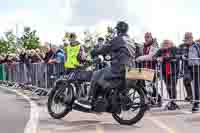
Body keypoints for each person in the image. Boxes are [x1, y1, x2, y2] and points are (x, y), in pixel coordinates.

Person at [74, 21, 136, 109]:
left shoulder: (118, 39)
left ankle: (90, 100)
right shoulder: (130, 40)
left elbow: (105, 48)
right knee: (104, 76)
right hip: (130, 67)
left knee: (96, 74)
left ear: (118, 30)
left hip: (119, 67)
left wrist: (94, 52)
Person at [153, 39, 179, 110]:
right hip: (165, 72)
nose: (166, 44)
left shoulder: (174, 49)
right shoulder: (160, 50)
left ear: (171, 44)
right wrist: (158, 58)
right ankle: (172, 101)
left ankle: (173, 103)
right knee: (168, 87)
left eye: (167, 43)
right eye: (164, 43)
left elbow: (177, 56)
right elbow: (154, 57)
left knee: (172, 87)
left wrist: (164, 58)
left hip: (174, 71)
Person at [136, 33, 161, 106]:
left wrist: (140, 58)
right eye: (145, 37)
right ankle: (151, 100)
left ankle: (157, 99)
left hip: (152, 68)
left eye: (148, 37)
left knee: (150, 86)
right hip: (145, 68)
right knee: (146, 85)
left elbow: (151, 56)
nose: (146, 39)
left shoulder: (154, 45)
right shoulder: (144, 46)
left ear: (151, 38)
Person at [179, 32, 194, 101]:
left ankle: (196, 96)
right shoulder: (181, 46)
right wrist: (181, 56)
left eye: (189, 37)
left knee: (196, 83)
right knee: (186, 81)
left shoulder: (196, 45)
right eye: (186, 38)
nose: (187, 39)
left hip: (195, 66)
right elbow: (177, 54)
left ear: (192, 38)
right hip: (186, 67)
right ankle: (190, 95)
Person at [188, 40, 200, 112]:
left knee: (196, 86)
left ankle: (196, 102)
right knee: (196, 86)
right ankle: (196, 103)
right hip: (194, 68)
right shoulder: (194, 46)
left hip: (197, 66)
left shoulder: (196, 46)